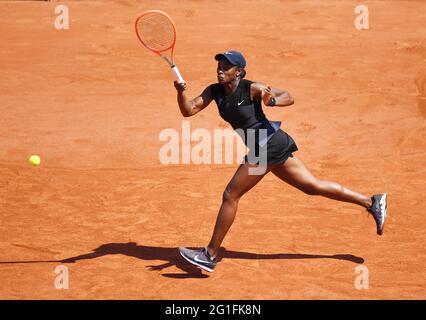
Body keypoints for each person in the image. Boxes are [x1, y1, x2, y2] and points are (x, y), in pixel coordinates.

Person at [175, 50, 387, 272]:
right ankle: (371, 202)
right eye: (219, 65)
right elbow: (189, 110)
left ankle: (209, 254)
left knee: (231, 194)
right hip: (270, 144)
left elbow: (288, 96)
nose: (220, 69)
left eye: (227, 66)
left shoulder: (252, 88)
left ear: (239, 71)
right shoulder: (214, 91)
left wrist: (272, 100)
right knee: (311, 186)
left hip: (268, 144)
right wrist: (181, 93)